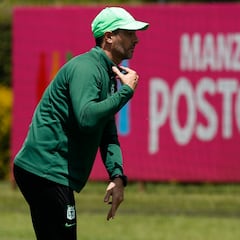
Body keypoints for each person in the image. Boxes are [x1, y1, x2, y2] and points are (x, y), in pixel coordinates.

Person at [13, 7, 149, 240]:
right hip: (45, 169)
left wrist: (117, 176)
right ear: (108, 37)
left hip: (49, 171)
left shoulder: (107, 73)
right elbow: (86, 119)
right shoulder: (87, 68)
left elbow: (107, 132)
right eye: (128, 32)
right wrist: (125, 92)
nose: (136, 38)